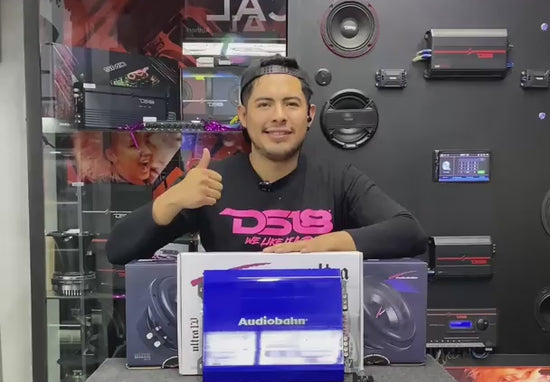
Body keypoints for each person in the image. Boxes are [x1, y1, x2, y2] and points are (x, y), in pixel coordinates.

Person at [106, 56, 427, 265]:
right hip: (229, 329)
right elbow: (117, 251)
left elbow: (410, 233)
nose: (279, 116)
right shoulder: (210, 183)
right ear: (244, 116)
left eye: (291, 104)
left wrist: (327, 245)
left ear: (309, 115)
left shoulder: (338, 179)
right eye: (264, 105)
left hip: (317, 329)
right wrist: (173, 198)